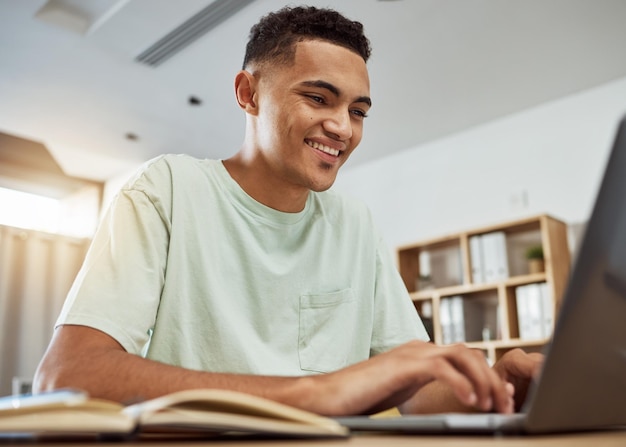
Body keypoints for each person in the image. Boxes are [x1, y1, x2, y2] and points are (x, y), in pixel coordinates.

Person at [34, 5, 540, 416]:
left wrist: (496, 389)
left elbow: (418, 392)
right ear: (248, 94)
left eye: (358, 111)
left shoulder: (354, 226)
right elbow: (67, 376)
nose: (343, 127)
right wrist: (318, 394)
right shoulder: (166, 190)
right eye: (319, 98)